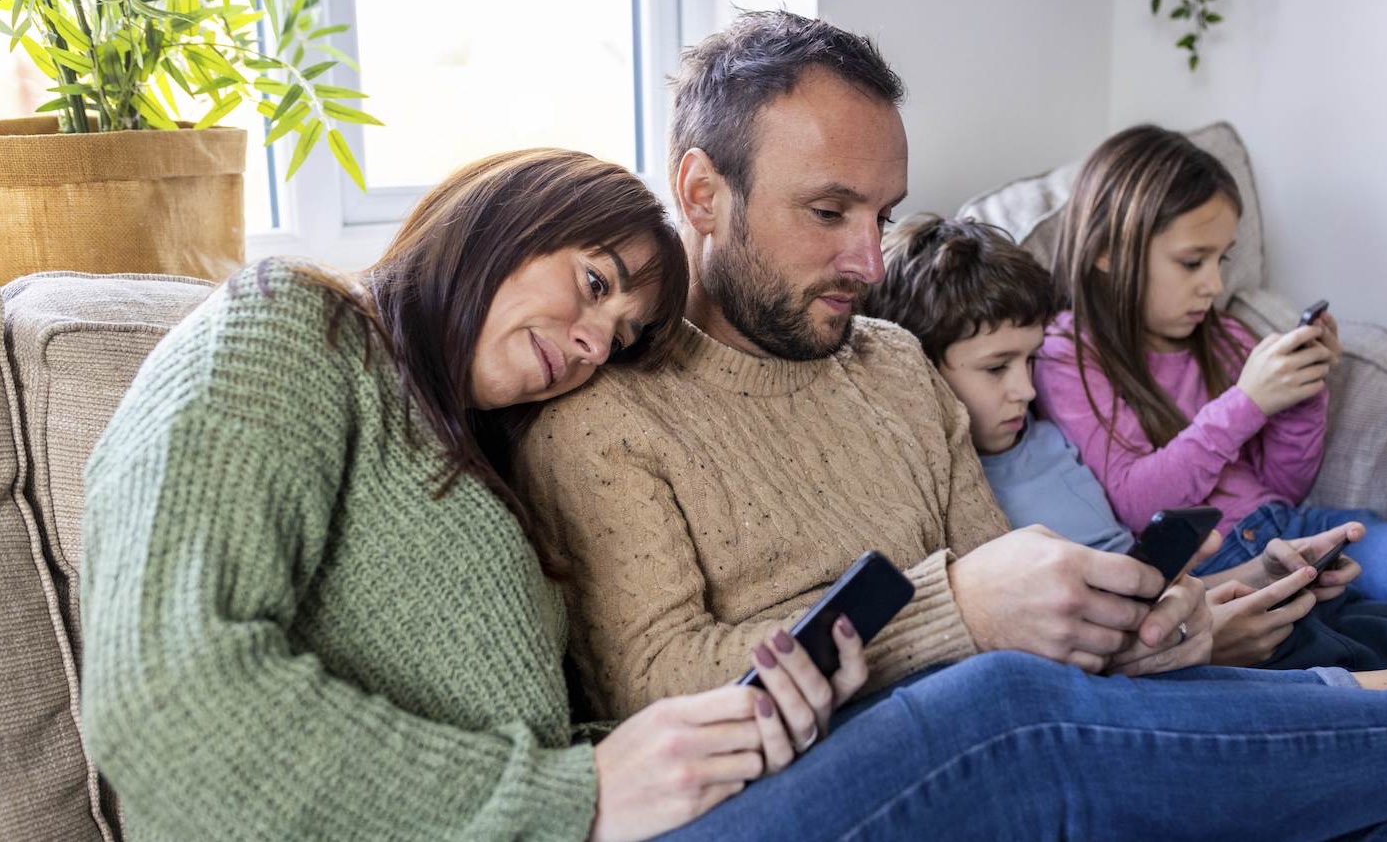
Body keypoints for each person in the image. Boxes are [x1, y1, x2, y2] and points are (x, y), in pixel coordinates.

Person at [521, 11, 1387, 839]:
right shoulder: (606, 417)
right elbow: (651, 689)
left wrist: (1136, 632)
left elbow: (1008, 585)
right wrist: (957, 612)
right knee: (1010, 700)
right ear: (703, 193)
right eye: (829, 211)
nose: (870, 265)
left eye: (883, 217)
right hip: (878, 780)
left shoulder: (890, 364)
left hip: (1082, 748)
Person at [80, 147, 881, 842]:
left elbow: (520, 749)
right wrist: (581, 794)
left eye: (620, 338)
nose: (594, 344)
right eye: (595, 282)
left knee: (928, 712)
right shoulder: (288, 326)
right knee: (999, 705)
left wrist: (720, 736)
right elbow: (164, 707)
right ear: (505, 218)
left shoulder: (477, 456)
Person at [863, 213, 1387, 670]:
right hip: (1161, 659)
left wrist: (1264, 571)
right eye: (997, 367)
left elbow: (1144, 580)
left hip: (1187, 613)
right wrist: (1207, 628)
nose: (1027, 390)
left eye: (1029, 361)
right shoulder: (955, 491)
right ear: (917, 369)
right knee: (1368, 646)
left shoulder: (1045, 439)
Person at [1036, 124, 1387, 622]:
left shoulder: (1224, 339)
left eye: (1221, 260)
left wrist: (1301, 394)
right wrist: (1247, 403)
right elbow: (1138, 502)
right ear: (1107, 250)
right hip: (1212, 575)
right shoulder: (1068, 355)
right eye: (1191, 261)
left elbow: (1283, 485)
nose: (1212, 285)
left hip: (1297, 531)